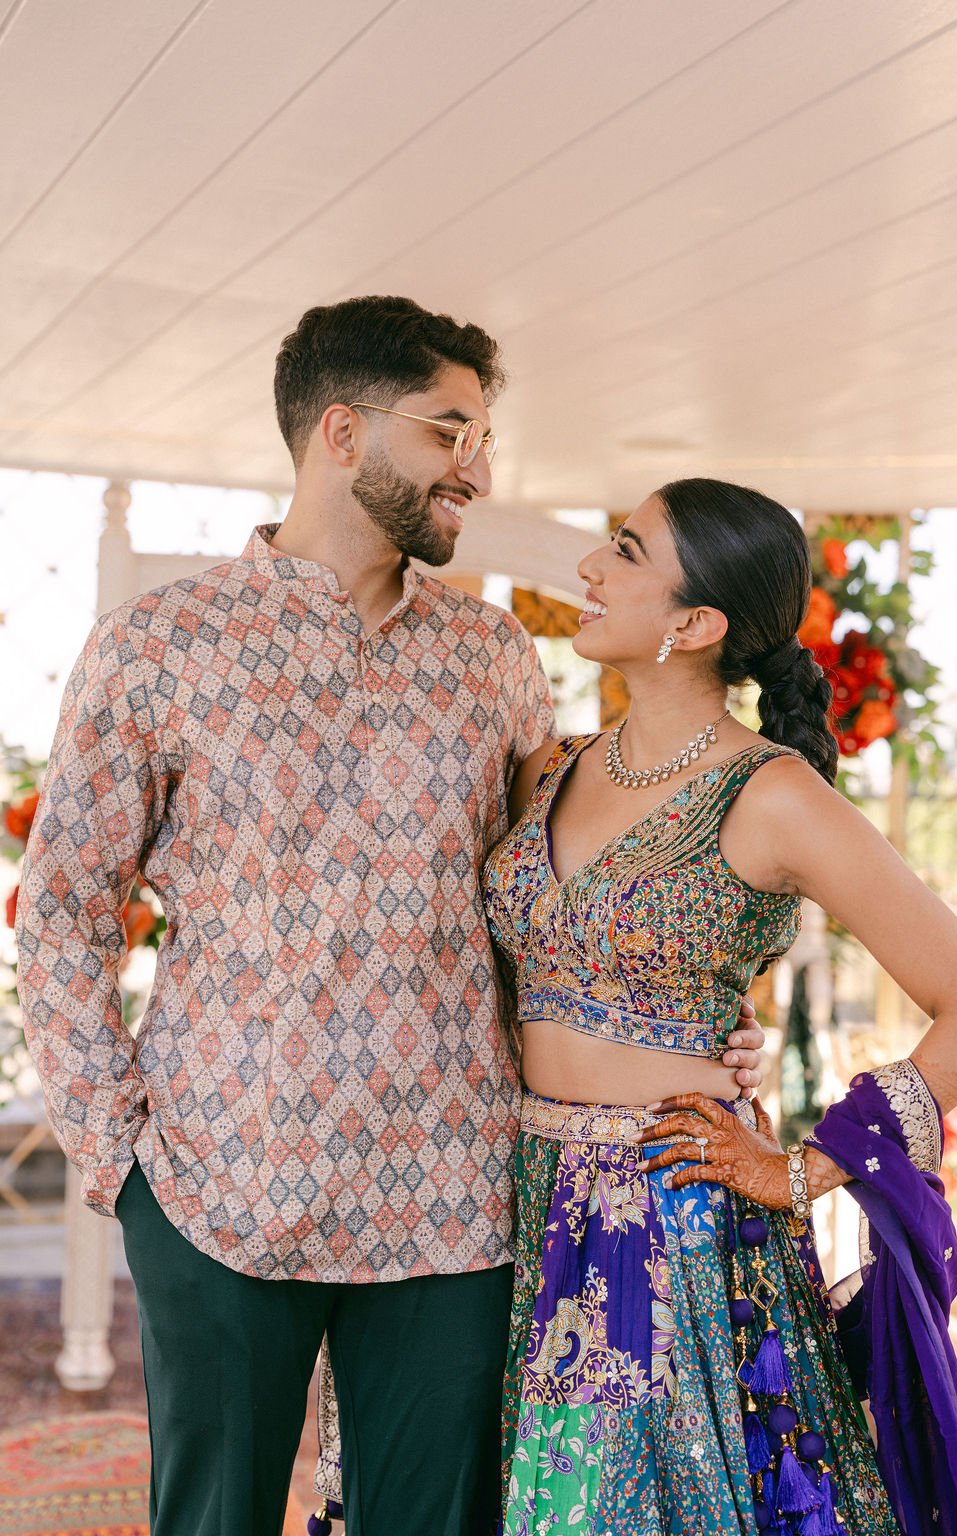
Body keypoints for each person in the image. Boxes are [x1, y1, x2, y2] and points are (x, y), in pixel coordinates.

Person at [14, 298, 765, 1536]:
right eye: (450, 431)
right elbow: (61, 915)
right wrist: (119, 1162)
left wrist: (681, 1026)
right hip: (218, 1185)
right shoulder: (155, 647)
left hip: (453, 1198)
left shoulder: (492, 658)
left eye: (485, 437)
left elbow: (551, 905)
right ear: (343, 432)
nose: (479, 468)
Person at [483, 477, 957, 1535]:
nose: (589, 567)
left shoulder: (771, 794)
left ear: (694, 625)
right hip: (519, 1194)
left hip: (670, 1216)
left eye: (625, 550)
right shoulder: (552, 769)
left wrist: (801, 1170)